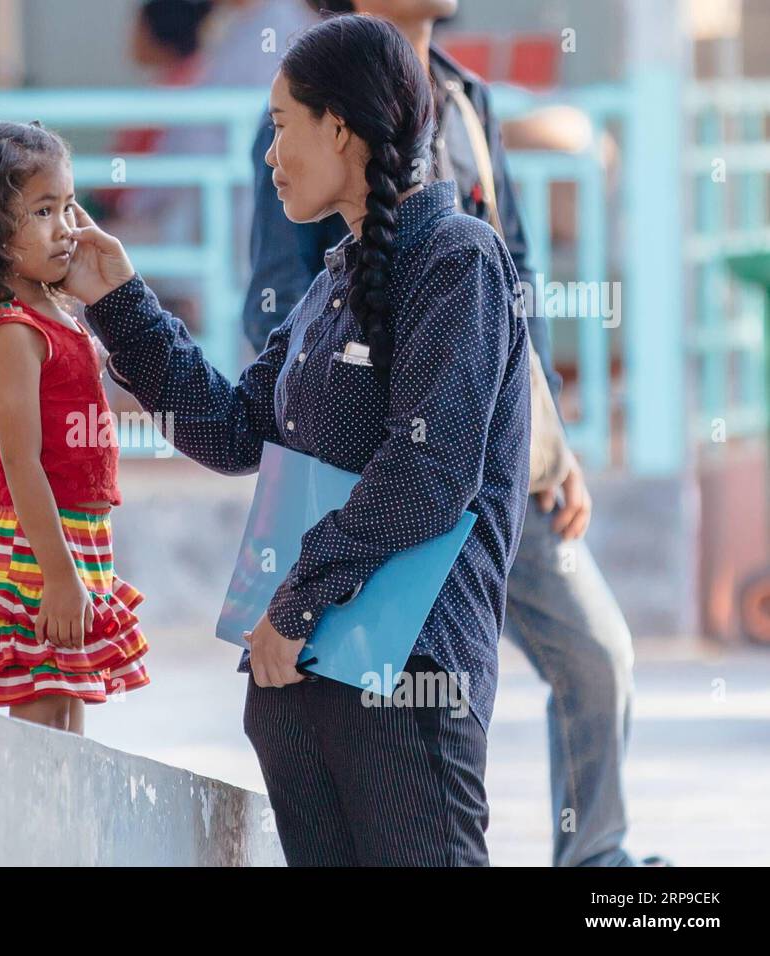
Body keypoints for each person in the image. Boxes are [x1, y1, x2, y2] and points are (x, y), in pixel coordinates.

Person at [67, 13, 529, 865]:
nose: (270, 156)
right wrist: (120, 300)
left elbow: (430, 471)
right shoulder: (334, 280)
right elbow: (235, 429)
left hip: (405, 683)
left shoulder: (457, 261)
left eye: (283, 127)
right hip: (299, 682)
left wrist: (300, 601)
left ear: (342, 128)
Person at [244, 0, 664, 868]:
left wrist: (546, 431)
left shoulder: (468, 100)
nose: (280, 147)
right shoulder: (311, 107)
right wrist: (320, 384)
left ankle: (598, 864)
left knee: (593, 653)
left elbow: (514, 273)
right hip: (371, 481)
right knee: (372, 734)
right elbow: (278, 297)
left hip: (475, 457)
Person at [0, 119, 150, 735]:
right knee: (42, 732)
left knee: (66, 730)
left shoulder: (56, 310)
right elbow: (21, 462)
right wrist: (59, 577)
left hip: (76, 538)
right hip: (38, 549)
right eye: (44, 211)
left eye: (69, 206)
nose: (67, 228)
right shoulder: (13, 331)